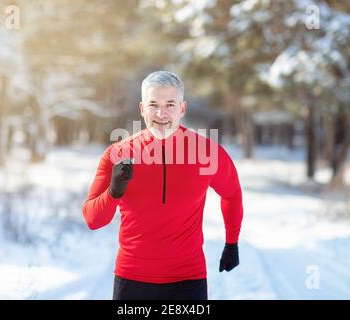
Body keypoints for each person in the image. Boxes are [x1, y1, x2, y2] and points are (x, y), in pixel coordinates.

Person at [82, 71, 243, 300]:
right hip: (132, 280)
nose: (161, 113)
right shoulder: (118, 154)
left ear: (182, 108)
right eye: (153, 104)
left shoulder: (206, 153)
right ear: (142, 109)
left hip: (188, 281)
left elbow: (232, 193)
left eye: (170, 104)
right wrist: (113, 192)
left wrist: (232, 242)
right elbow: (92, 219)